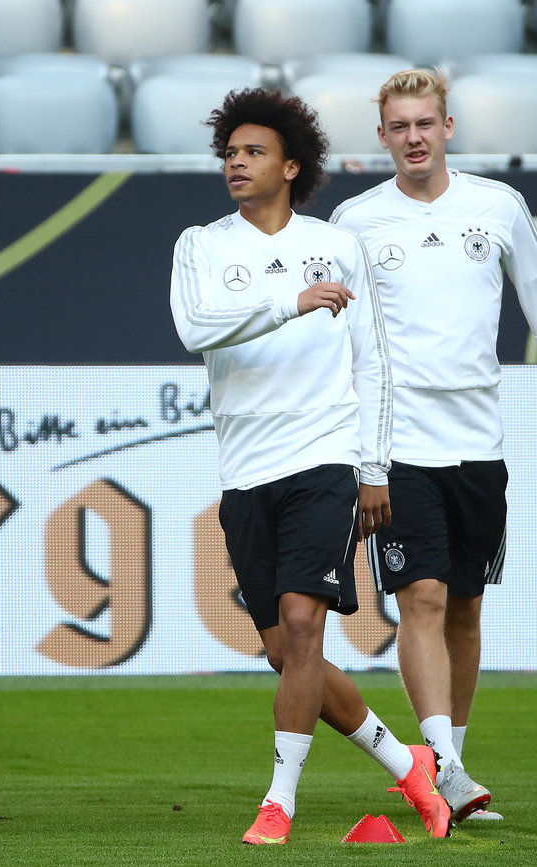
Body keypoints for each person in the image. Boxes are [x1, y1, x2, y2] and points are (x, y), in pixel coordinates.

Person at [170, 87, 453, 845]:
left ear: (291, 166)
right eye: (230, 152)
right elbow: (194, 327)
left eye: (254, 152)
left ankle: (278, 802)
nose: (237, 163)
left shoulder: (337, 244)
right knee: (283, 650)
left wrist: (373, 466)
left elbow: (374, 362)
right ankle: (409, 764)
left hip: (324, 458)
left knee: (303, 624)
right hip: (245, 470)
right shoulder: (201, 244)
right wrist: (288, 303)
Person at [331, 69, 537, 823]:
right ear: (381, 136)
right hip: (397, 447)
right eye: (399, 126)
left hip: (480, 446)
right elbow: (337, 340)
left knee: (466, 609)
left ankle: (454, 758)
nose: (414, 137)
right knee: (420, 597)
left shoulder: (498, 205)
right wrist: (353, 448)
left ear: (447, 127)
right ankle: (443, 768)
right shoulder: (356, 221)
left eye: (425, 123)